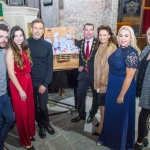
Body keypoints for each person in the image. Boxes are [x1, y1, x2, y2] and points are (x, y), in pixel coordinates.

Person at [97, 26, 140, 150]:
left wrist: (121, 95)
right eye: (121, 35)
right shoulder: (119, 49)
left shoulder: (132, 53)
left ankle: (121, 144)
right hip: (112, 85)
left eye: (126, 36)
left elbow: (129, 78)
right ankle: (109, 140)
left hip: (124, 88)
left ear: (131, 37)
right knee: (111, 115)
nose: (123, 38)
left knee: (121, 116)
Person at [6, 26, 35, 150]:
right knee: (22, 113)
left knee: (29, 110)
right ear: (12, 38)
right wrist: (21, 90)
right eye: (16, 36)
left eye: (21, 35)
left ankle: (29, 133)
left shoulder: (23, 48)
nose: (19, 38)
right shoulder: (10, 51)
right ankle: (26, 141)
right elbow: (11, 74)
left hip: (28, 81)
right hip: (18, 84)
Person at [28, 19, 55, 139]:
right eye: (35, 28)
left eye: (40, 28)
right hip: (29, 82)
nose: (37, 31)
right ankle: (41, 125)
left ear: (43, 31)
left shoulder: (48, 46)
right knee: (33, 107)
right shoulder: (25, 44)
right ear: (31, 29)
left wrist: (45, 84)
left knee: (43, 106)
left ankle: (46, 122)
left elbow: (50, 67)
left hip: (42, 82)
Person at [71, 23, 98, 123]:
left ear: (93, 31)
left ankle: (92, 113)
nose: (89, 32)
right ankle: (81, 114)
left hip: (94, 74)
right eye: (86, 30)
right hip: (83, 74)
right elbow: (76, 57)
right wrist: (79, 65)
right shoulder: (79, 43)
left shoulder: (98, 42)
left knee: (96, 96)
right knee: (80, 94)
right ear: (83, 31)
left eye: (91, 30)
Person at [93, 25, 117, 136]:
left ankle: (102, 127)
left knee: (103, 105)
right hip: (99, 81)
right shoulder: (102, 45)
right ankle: (104, 122)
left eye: (104, 35)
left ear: (109, 35)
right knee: (101, 104)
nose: (102, 37)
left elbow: (108, 67)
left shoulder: (111, 47)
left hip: (104, 82)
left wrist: (103, 83)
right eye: (100, 35)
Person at [135, 27, 150, 150]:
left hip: (149, 92)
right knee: (146, 117)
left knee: (143, 117)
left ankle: (139, 143)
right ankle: (145, 137)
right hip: (143, 89)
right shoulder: (146, 49)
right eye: (149, 34)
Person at [0, 24, 15, 150]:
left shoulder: (5, 52)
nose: (3, 39)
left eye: (5, 37)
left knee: (10, 119)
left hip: (4, 95)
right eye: (0, 36)